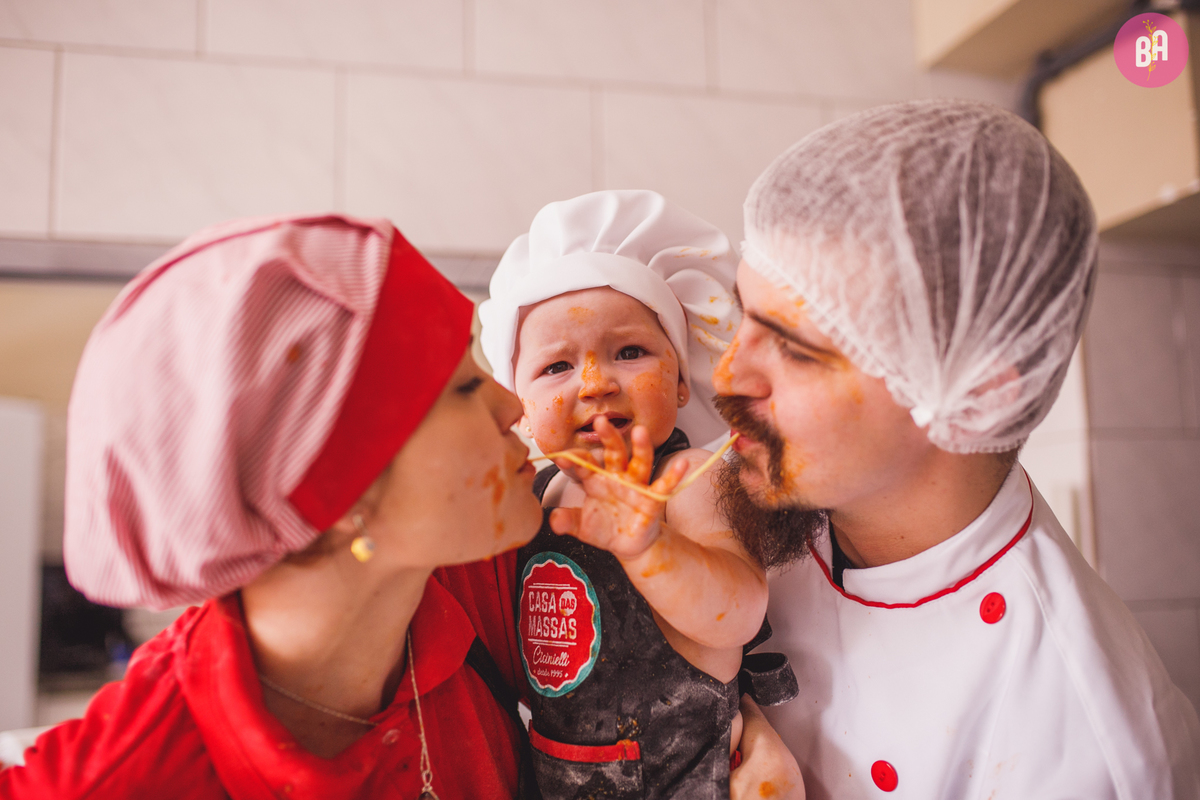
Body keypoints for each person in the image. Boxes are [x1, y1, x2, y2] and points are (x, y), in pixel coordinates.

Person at [0, 212, 803, 800]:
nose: (513, 406)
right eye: (461, 386)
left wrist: (736, 734)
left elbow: (664, 651)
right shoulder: (117, 780)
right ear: (338, 486)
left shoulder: (486, 564)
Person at [711, 99, 1200, 799]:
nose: (726, 374)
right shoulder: (762, 490)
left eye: (793, 350)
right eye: (741, 316)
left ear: (973, 396)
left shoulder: (1086, 752)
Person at [480, 191, 799, 799]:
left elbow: (740, 614)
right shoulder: (537, 496)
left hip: (683, 780)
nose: (597, 384)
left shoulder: (691, 481)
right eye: (556, 368)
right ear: (517, 405)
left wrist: (650, 549)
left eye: (629, 352)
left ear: (681, 380)